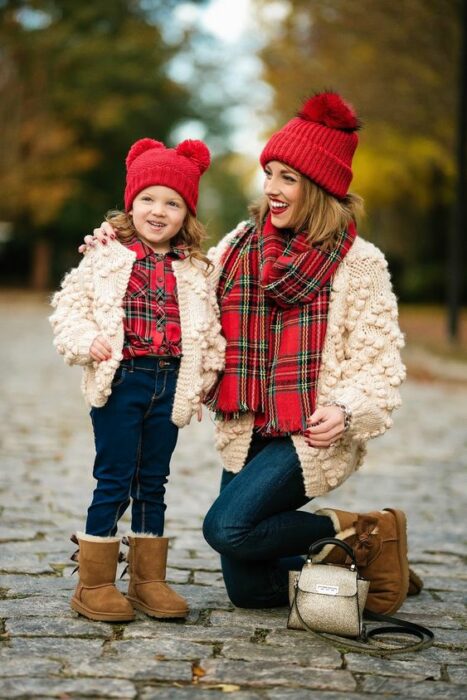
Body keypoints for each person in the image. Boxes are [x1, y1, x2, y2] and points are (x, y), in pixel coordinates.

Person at [84, 92, 410, 616]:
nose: (272, 190)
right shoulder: (239, 243)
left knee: (227, 527)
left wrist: (346, 410)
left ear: (320, 187)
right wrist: (116, 243)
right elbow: (180, 282)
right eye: (270, 173)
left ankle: (359, 530)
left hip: (307, 431)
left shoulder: (359, 263)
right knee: (249, 590)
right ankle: (364, 558)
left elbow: (381, 366)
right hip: (249, 425)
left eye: (288, 178)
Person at [50, 137, 225, 623]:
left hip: (168, 385)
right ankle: (96, 581)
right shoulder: (105, 256)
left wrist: (204, 378)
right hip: (123, 380)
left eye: (172, 202)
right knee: (114, 479)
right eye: (148, 198)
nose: (158, 210)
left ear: (186, 213)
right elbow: (70, 309)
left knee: (155, 480)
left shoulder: (193, 270)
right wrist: (88, 342)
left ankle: (149, 580)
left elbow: (208, 329)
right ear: (131, 204)